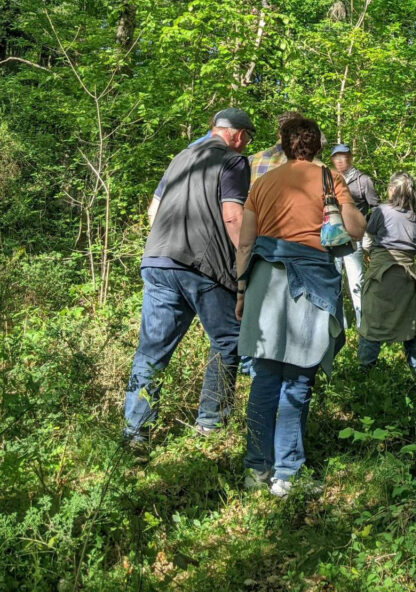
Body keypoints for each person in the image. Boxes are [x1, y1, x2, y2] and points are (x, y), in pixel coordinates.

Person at [237, 117, 366, 496]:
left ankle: (256, 469)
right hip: (310, 284)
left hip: (264, 281)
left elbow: (245, 245)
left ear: (282, 142)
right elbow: (356, 229)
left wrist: (241, 291)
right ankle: (287, 474)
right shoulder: (330, 178)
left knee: (264, 377)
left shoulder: (262, 183)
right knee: (297, 379)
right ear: (318, 145)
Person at [124, 108, 254, 447]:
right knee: (228, 340)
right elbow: (232, 218)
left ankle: (136, 435)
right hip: (201, 264)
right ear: (238, 136)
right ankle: (209, 426)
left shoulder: (179, 158)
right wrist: (245, 270)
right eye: (247, 139)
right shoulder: (232, 161)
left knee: (151, 352)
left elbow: (153, 212)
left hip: (158, 260)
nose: (245, 145)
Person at [358, 172, 416, 373]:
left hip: (381, 272)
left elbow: (368, 238)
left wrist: (370, 253)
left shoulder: (381, 211)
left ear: (391, 189)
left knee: (373, 322)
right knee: (411, 324)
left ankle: (364, 373)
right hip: (407, 275)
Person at [329, 143, 379, 328]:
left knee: (356, 282)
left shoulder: (363, 180)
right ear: (332, 160)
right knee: (334, 281)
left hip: (353, 238)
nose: (340, 160)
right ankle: (338, 326)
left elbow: (375, 207)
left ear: (350, 157)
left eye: (344, 156)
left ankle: (362, 326)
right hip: (331, 238)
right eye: (336, 157)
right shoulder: (328, 179)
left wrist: (367, 229)